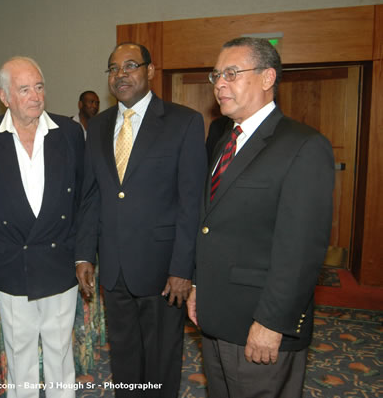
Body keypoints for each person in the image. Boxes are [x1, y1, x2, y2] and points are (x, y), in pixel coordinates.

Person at [187, 37, 335, 398]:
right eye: (217, 74)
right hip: (216, 314)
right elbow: (212, 224)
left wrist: (272, 321)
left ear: (268, 78)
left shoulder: (303, 146)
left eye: (232, 73)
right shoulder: (225, 138)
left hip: (259, 323)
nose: (220, 83)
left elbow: (301, 252)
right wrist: (197, 286)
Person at [75, 42, 207, 397]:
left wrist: (184, 269)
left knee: (162, 361)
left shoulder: (184, 122)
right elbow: (92, 195)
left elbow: (192, 202)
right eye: (114, 68)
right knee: (124, 359)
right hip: (115, 269)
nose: (121, 74)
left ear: (150, 71)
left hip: (164, 272)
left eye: (130, 65)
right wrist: (85, 254)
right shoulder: (99, 126)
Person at [0, 56, 84, 398]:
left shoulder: (70, 132)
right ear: (4, 97)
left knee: (61, 349)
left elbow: (80, 195)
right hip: (11, 257)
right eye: (24, 89)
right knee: (19, 352)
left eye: (39, 86)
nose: (35, 96)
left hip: (59, 254)